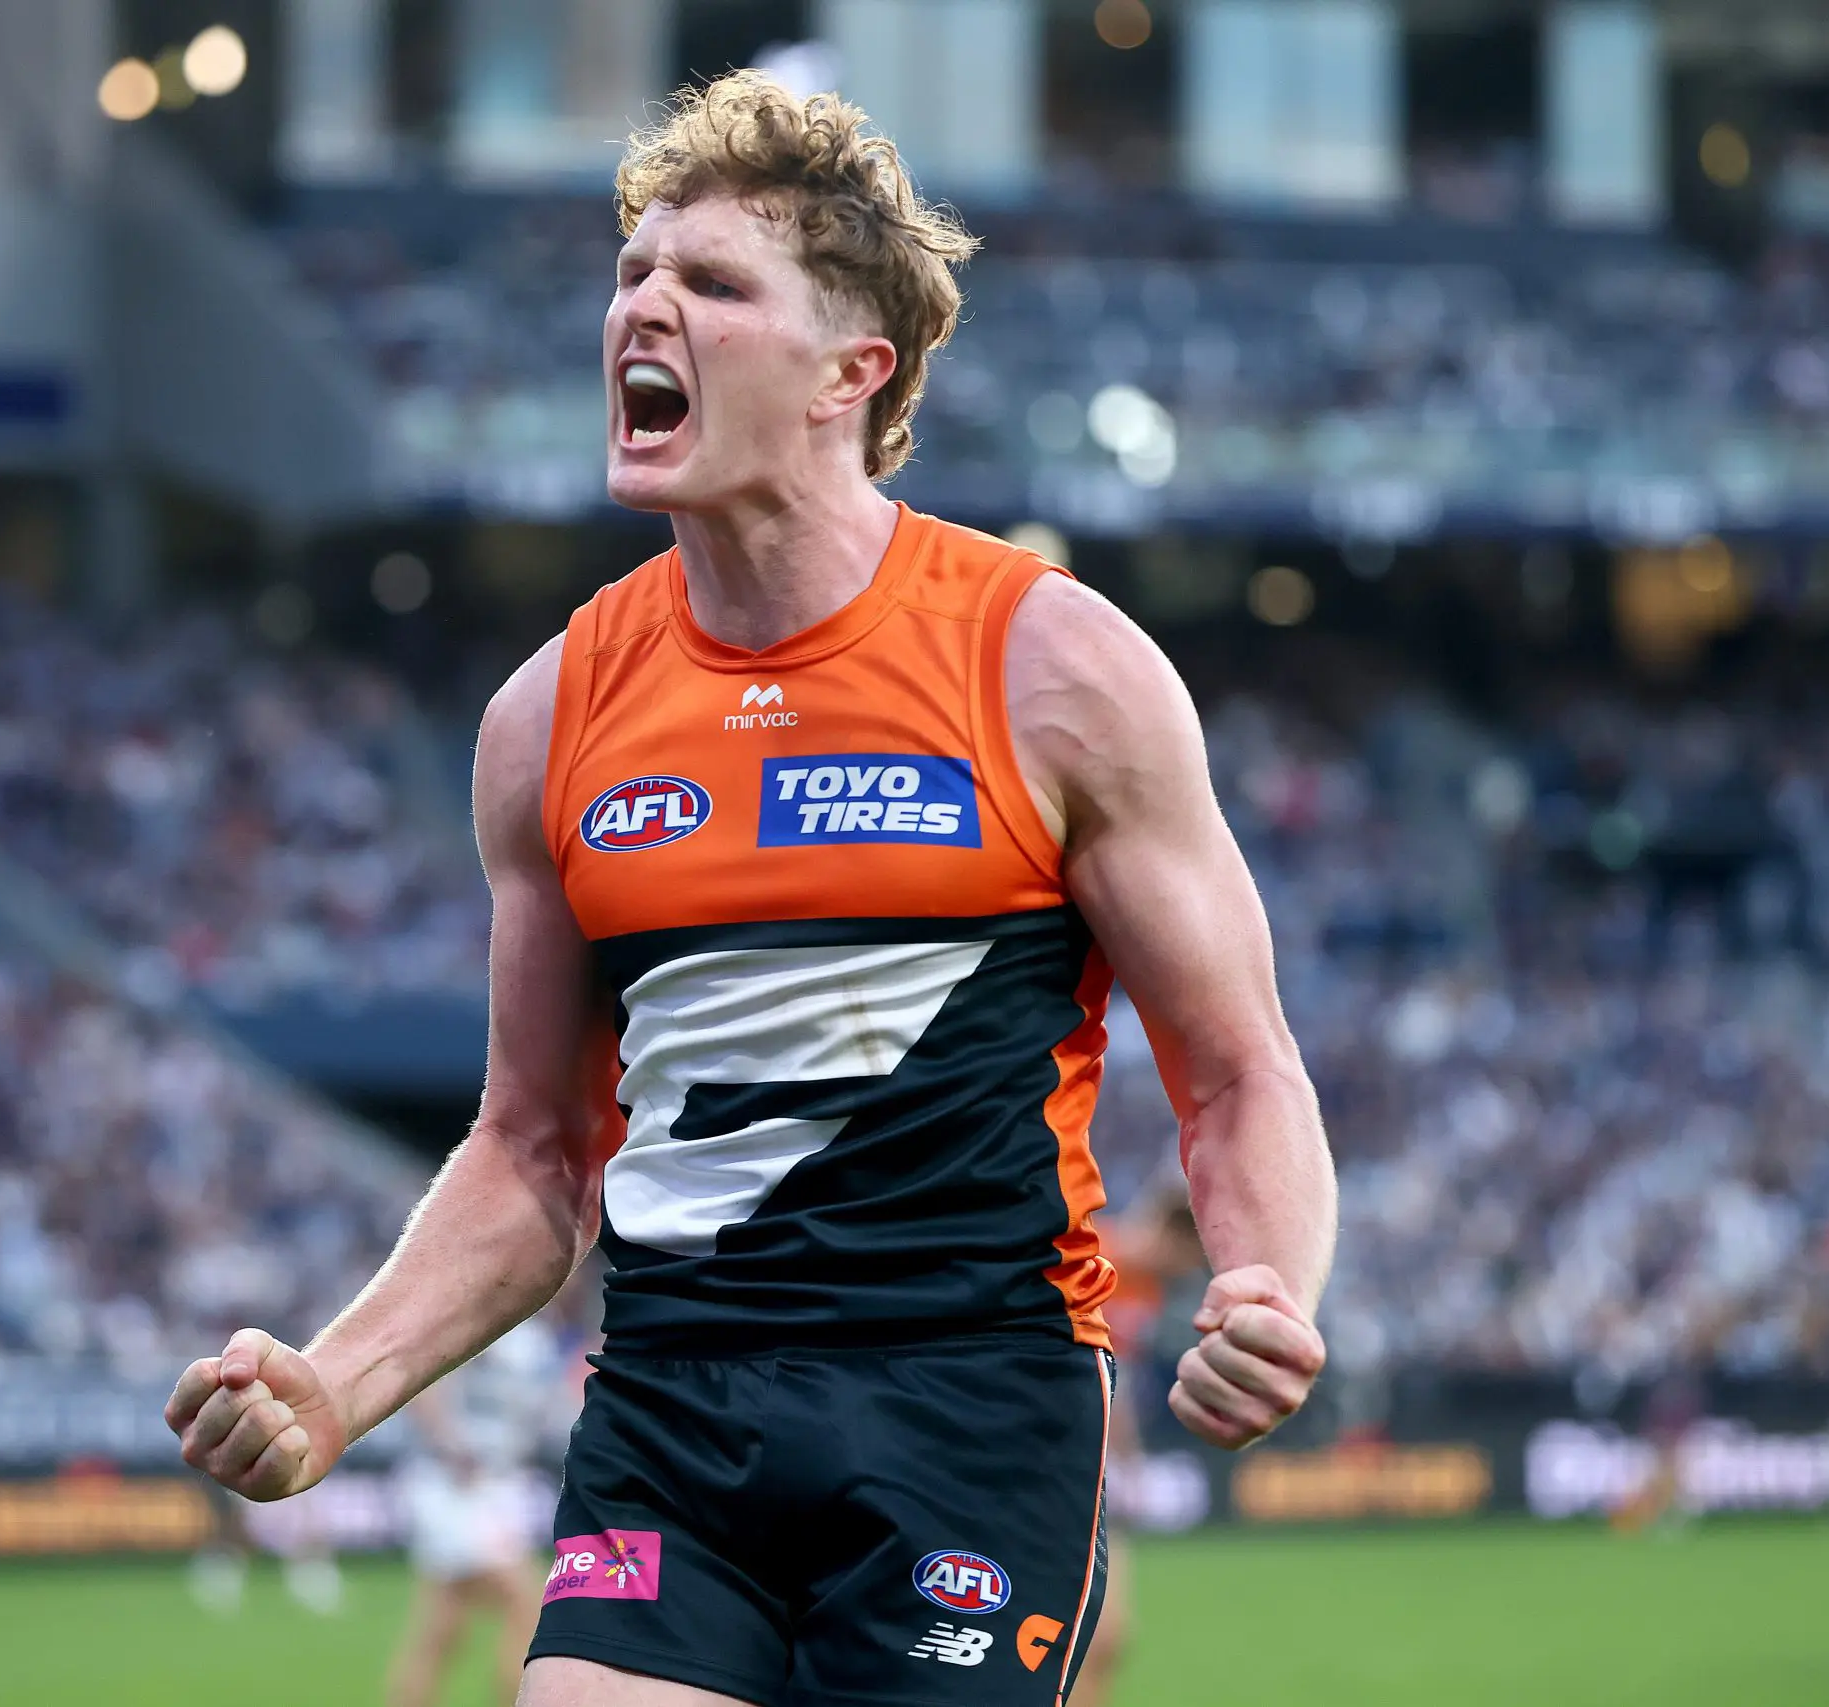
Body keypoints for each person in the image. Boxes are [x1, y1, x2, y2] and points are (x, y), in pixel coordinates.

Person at [169, 71, 1336, 1707]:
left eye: (713, 282)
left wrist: (1269, 1280)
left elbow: (1237, 1070)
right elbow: (530, 1149)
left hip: (967, 1408)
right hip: (673, 1410)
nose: (646, 301)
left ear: (854, 373)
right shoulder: (548, 717)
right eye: (634, 274)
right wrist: (336, 1385)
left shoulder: (1052, 666)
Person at [1068, 1183, 1208, 1707]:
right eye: (1192, 1256)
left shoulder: (1144, 1290)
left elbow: (1112, 1382)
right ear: (1171, 1235)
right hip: (1044, 1460)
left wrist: (1128, 1461)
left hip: (1089, 1466)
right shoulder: (1085, 1250)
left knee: (1105, 1639)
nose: (1190, 1273)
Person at [388, 1318, 567, 1707]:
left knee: (442, 1627)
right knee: (529, 1602)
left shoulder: (534, 1339)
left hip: (496, 1484)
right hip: (456, 1486)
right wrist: (449, 1445)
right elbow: (426, 1378)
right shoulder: (489, 1315)